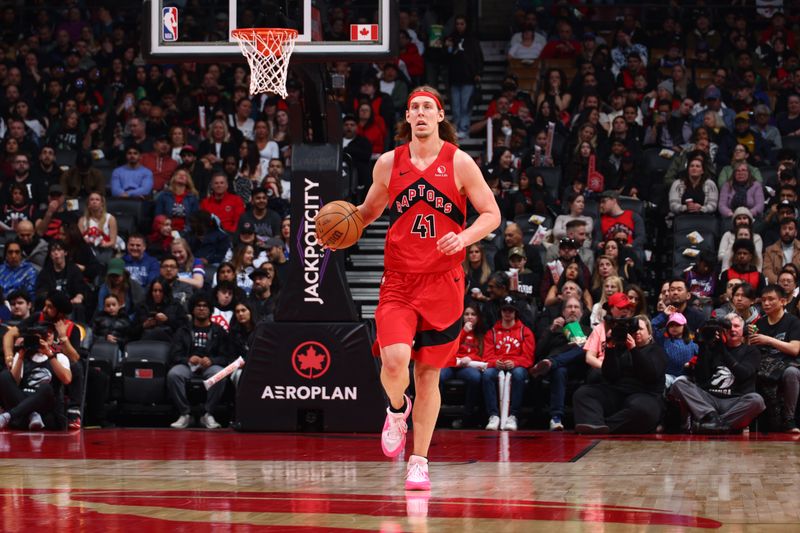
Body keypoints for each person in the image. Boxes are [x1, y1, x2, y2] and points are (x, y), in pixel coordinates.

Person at [353, 87, 500, 491]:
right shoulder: (388, 163)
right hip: (399, 279)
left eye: (427, 108)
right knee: (394, 362)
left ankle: (419, 460)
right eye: (414, 107)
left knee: (428, 373)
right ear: (407, 117)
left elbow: (492, 213)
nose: (420, 113)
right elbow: (368, 212)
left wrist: (465, 238)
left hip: (444, 282)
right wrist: (342, 229)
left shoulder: (459, 161)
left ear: (439, 117)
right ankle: (397, 408)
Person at [668, 314, 765, 434]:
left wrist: (723, 351)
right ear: (722, 330)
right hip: (709, 400)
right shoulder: (712, 348)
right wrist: (703, 346)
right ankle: (716, 421)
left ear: (742, 330)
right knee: (679, 383)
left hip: (735, 401)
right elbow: (701, 379)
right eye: (729, 326)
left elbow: (743, 374)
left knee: (757, 401)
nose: (732, 329)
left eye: (736, 326)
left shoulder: (751, 351)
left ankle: (711, 424)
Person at [573, 315, 668, 434]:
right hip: (618, 394)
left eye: (641, 329)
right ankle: (595, 425)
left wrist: (633, 349)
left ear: (650, 334)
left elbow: (650, 374)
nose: (637, 332)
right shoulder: (621, 349)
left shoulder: (657, 350)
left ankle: (603, 426)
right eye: (634, 329)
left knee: (643, 410)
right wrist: (610, 348)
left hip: (645, 395)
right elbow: (609, 375)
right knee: (584, 393)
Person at [168, 292, 230, 430]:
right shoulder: (183, 330)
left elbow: (227, 356)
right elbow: (174, 355)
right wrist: (188, 359)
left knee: (219, 375)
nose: (201, 309)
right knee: (174, 374)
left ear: (210, 309)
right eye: (198, 306)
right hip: (188, 365)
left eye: (205, 306)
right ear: (192, 309)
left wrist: (212, 360)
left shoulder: (219, 331)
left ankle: (207, 414)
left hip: (210, 366)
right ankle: (185, 414)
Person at [530, 295, 591, 430]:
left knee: (584, 346)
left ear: (581, 312)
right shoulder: (554, 329)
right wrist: (551, 330)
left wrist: (577, 344)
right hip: (557, 370)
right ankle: (556, 418)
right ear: (563, 312)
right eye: (569, 307)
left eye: (576, 307)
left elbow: (591, 354)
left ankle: (552, 362)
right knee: (559, 370)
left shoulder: (587, 330)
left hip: (578, 367)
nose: (573, 310)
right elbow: (538, 352)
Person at [0, 322, 72, 430]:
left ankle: (8, 416)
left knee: (45, 387)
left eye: (50, 333)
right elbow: (14, 383)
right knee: (4, 375)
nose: (36, 342)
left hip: (45, 407)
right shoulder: (23, 356)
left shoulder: (59, 357)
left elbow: (67, 379)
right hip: (23, 403)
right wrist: (20, 357)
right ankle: (32, 414)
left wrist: (49, 354)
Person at [749, 285, 800, 433]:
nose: (766, 303)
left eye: (771, 299)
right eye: (763, 300)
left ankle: (789, 419)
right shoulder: (759, 324)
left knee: (792, 373)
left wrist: (769, 340)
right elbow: (752, 351)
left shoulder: (793, 322)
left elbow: (794, 349)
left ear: (783, 301)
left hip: (788, 362)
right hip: (766, 363)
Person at [439, 304, 485, 428]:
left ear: (478, 317)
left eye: (473, 314)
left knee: (475, 378)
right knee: (438, 376)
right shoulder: (455, 330)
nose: (470, 317)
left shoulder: (481, 334)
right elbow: (450, 348)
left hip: (468, 366)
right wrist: (464, 331)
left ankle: (467, 416)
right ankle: (437, 415)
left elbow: (484, 354)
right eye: (467, 314)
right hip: (451, 363)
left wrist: (471, 358)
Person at [763, 218, 800, 285]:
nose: (787, 231)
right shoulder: (770, 250)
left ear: (796, 233)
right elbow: (767, 271)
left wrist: (794, 283)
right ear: (780, 231)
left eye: (790, 229)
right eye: (784, 228)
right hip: (777, 286)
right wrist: (782, 282)